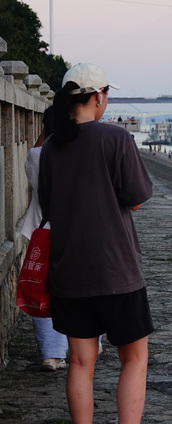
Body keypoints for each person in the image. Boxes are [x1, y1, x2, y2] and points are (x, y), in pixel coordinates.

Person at [38, 63, 153, 424]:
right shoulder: (116, 139)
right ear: (98, 96)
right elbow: (136, 198)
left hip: (70, 271)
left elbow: (47, 203)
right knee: (134, 358)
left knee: (79, 361)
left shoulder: (52, 147)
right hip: (117, 270)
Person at [21, 106, 69, 372]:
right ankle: (88, 341)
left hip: (43, 232)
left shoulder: (36, 156)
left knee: (42, 291)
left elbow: (37, 153)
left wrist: (46, 128)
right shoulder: (79, 155)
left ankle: (51, 353)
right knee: (81, 289)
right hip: (75, 234)